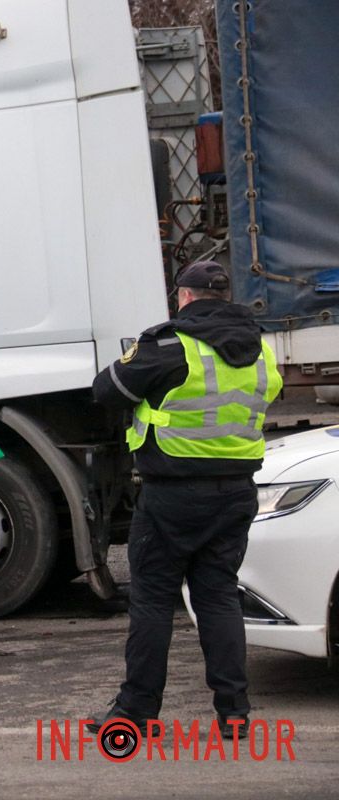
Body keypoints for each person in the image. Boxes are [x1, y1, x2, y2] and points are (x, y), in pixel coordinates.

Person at [87, 260, 283, 738]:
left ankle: (135, 714)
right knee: (219, 597)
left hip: (173, 495)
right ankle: (234, 714)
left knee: (153, 601)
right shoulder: (260, 348)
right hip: (235, 492)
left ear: (186, 297)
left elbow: (106, 390)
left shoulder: (170, 346)